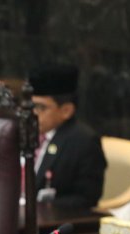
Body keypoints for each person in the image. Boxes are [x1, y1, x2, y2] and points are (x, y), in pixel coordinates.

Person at [30, 64, 107, 208]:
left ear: (66, 110)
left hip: (54, 225)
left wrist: (41, 206)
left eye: (41, 108)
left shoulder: (84, 142)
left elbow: (87, 199)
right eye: (31, 106)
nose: (33, 113)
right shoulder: (24, 133)